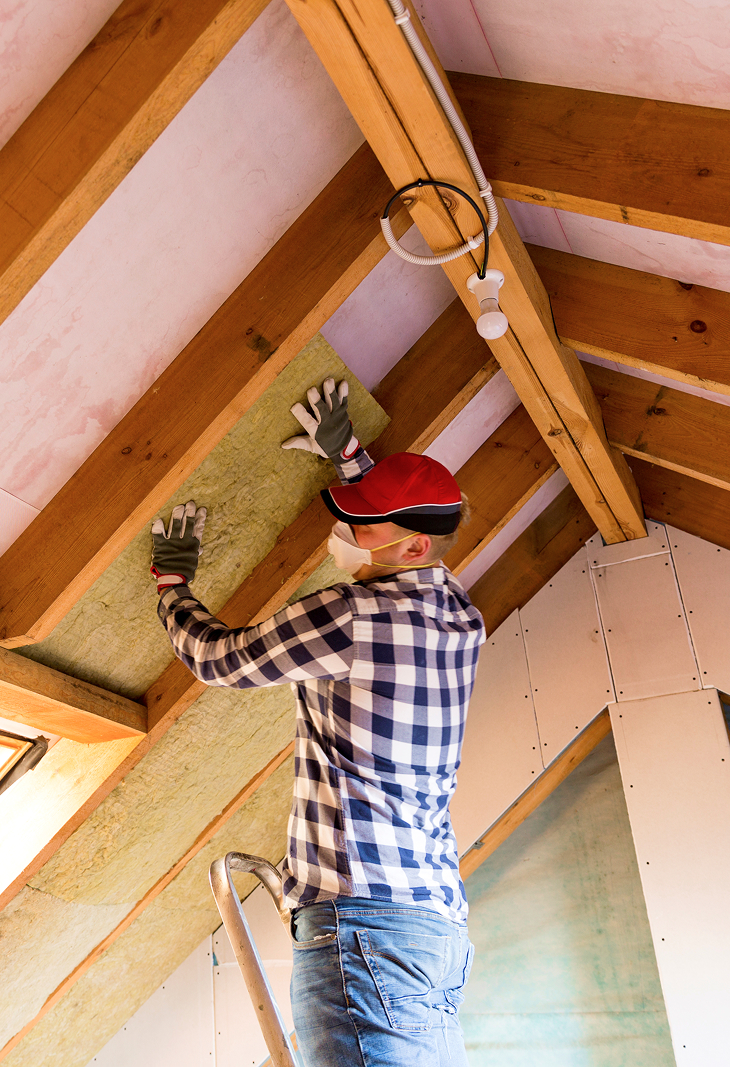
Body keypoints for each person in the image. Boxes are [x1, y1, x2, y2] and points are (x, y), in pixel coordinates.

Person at [148, 378, 485, 1067]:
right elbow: (412, 525)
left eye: (365, 526)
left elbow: (220, 659)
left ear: (414, 548)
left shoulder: (350, 616)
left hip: (363, 929)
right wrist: (352, 461)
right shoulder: (460, 615)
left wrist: (170, 589)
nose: (348, 535)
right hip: (432, 929)